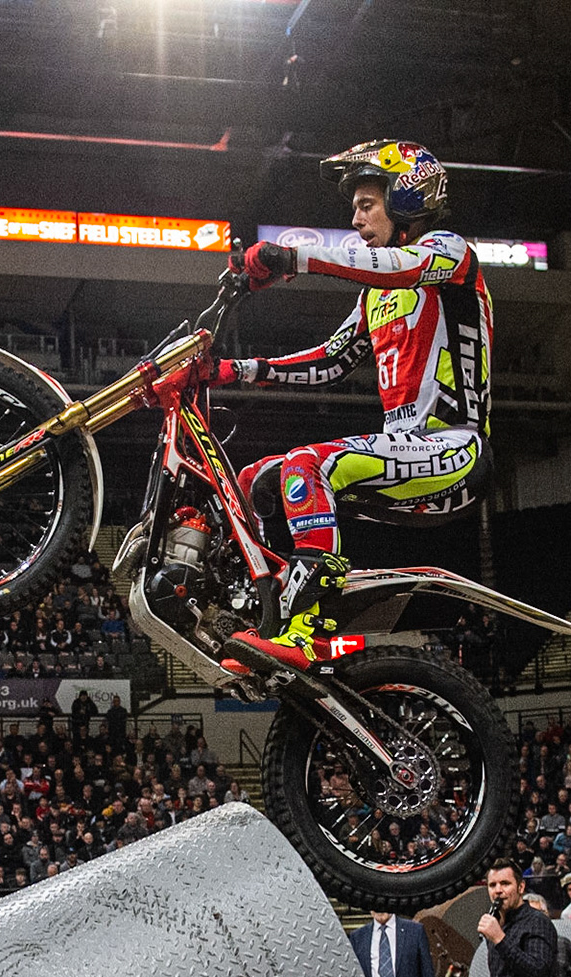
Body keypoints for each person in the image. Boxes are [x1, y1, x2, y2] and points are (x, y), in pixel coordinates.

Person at [214, 140, 491, 673]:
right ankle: (263, 616)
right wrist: (240, 370)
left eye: (367, 204)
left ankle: (311, 627)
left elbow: (394, 269)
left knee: (307, 465)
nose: (356, 217)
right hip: (402, 449)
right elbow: (331, 361)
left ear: (406, 195)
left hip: (456, 447)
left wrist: (291, 255)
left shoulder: (451, 253)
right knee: (253, 479)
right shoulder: (375, 295)